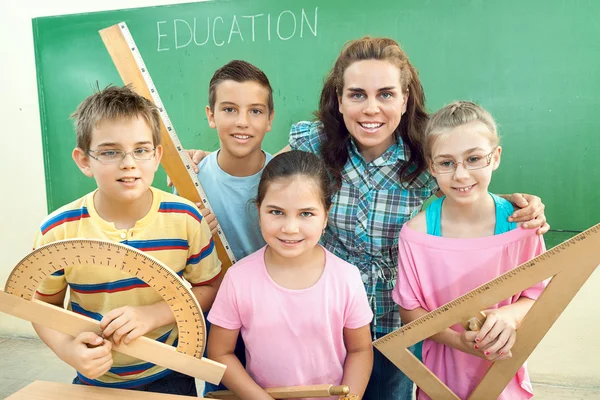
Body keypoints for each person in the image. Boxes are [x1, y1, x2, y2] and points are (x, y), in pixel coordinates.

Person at [184, 37, 549, 399]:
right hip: (322, 324)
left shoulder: (425, 155)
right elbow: (266, 184)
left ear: (405, 99)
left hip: (395, 326)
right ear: (339, 100)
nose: (371, 108)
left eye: (386, 94)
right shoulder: (313, 142)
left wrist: (514, 203)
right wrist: (202, 167)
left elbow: (463, 183)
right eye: (357, 94)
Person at [32, 85, 221, 395]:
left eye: (141, 149)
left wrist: (153, 315)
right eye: (110, 152)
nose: (129, 163)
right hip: (94, 377)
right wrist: (69, 351)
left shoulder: (186, 219)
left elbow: (208, 287)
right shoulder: (58, 230)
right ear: (83, 160)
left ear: (157, 155)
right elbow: (42, 306)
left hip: (170, 374)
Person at [393, 101, 547, 399]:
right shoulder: (416, 235)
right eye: (447, 163)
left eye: (474, 158)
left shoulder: (522, 226)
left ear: (496, 157)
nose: (461, 175)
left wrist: (510, 316)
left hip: (504, 375)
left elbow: (538, 295)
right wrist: (457, 340)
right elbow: (410, 311)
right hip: (440, 380)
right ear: (431, 165)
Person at [207, 150, 374, 400]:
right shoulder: (238, 279)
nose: (290, 228)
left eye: (306, 213)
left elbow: (360, 349)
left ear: (326, 216)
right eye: (276, 212)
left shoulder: (346, 278)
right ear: (258, 209)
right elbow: (220, 353)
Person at [173, 59, 275, 395]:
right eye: (229, 109)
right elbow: (178, 259)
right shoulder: (191, 181)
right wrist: (193, 232)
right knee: (222, 394)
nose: (242, 122)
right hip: (217, 322)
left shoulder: (286, 177)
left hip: (275, 318)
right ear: (211, 115)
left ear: (270, 119)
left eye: (256, 111)